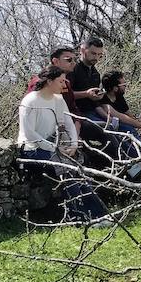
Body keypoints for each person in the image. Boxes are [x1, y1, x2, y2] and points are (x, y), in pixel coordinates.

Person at [16, 65, 109, 224]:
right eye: (60, 81)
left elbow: (69, 122)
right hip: (32, 150)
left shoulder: (59, 100)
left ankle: (99, 215)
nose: (64, 85)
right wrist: (56, 149)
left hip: (54, 147)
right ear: (49, 81)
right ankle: (80, 217)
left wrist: (73, 145)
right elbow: (30, 134)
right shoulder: (30, 101)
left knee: (78, 171)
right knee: (66, 170)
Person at [98, 70, 141, 156]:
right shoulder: (103, 100)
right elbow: (121, 116)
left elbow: (128, 114)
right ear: (115, 88)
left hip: (124, 129)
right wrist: (140, 125)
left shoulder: (119, 97)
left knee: (129, 128)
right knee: (126, 127)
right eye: (123, 84)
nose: (125, 86)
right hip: (112, 130)